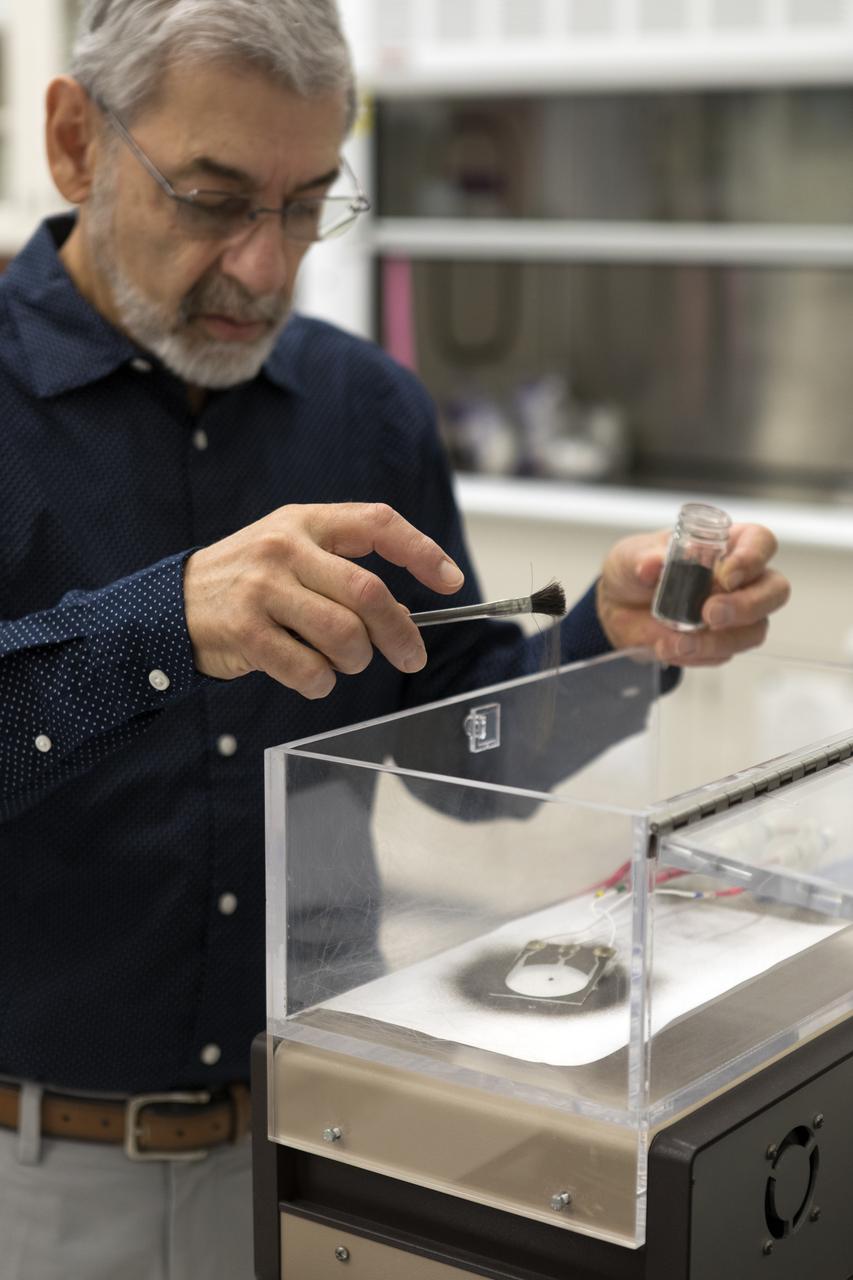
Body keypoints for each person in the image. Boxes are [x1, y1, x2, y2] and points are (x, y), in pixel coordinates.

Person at [0, 2, 790, 1277]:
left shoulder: (365, 409)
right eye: (213, 199)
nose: (267, 267)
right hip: (37, 1181)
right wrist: (159, 624)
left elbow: (456, 752)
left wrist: (610, 644)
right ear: (76, 140)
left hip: (331, 1135)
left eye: (309, 203)